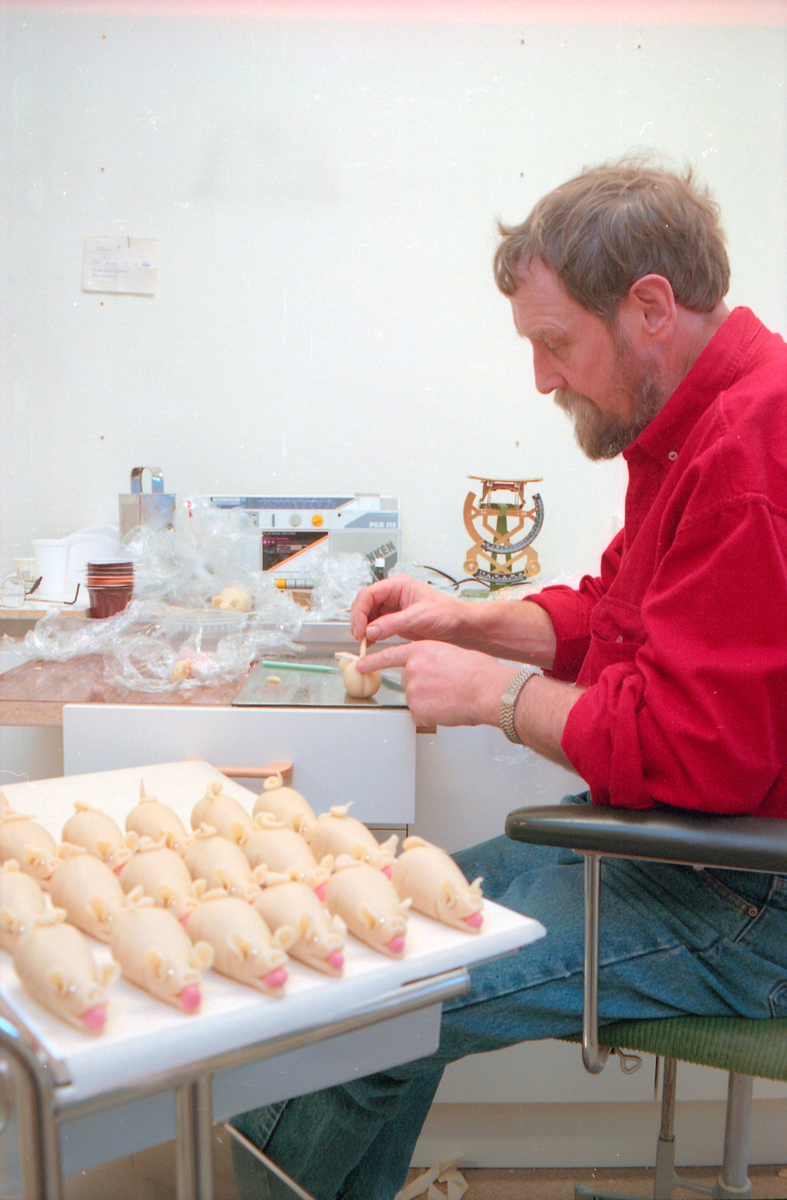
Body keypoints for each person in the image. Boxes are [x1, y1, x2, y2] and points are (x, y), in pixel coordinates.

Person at [230, 155, 787, 1200]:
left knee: (362, 1012)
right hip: (693, 853)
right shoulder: (694, 425)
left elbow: (694, 752)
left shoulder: (750, 455)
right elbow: (617, 614)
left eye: (554, 342)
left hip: (747, 901)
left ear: (650, 308)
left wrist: (492, 696)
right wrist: (474, 622)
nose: (542, 377)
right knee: (358, 939)